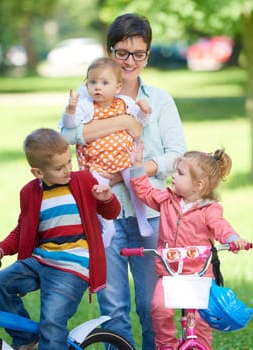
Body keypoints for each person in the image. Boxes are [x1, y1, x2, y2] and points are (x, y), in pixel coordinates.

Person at [60, 13, 187, 349]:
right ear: (109, 50)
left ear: (147, 54)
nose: (130, 61)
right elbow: (67, 136)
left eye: (139, 53)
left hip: (151, 213)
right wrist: (122, 122)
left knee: (151, 307)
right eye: (122, 52)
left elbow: (177, 154)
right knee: (113, 308)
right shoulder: (88, 98)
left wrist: (135, 171)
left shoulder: (159, 100)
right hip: (104, 216)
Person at [0, 128, 121, 350]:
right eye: (60, 167)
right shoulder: (29, 193)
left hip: (72, 265)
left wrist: (106, 199)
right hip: (41, 261)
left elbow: (112, 212)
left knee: (52, 323)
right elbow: (22, 229)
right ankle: (26, 340)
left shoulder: (84, 181)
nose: (68, 169)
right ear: (38, 173)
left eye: (69, 162)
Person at [129, 143, 250, 349]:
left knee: (201, 321)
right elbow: (145, 191)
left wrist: (232, 239)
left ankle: (200, 346)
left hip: (199, 276)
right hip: (170, 274)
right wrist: (137, 166)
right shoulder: (167, 199)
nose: (173, 175)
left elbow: (220, 226)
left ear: (199, 185)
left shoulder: (209, 209)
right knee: (159, 308)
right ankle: (166, 345)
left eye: (180, 173)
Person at [60, 57, 153, 246]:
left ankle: (142, 220)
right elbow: (70, 127)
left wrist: (145, 111)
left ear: (117, 87)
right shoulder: (86, 106)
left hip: (124, 159)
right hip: (97, 164)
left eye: (104, 83)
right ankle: (107, 227)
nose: (97, 88)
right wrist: (70, 110)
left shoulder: (125, 103)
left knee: (136, 184)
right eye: (92, 82)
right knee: (98, 194)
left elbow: (140, 123)